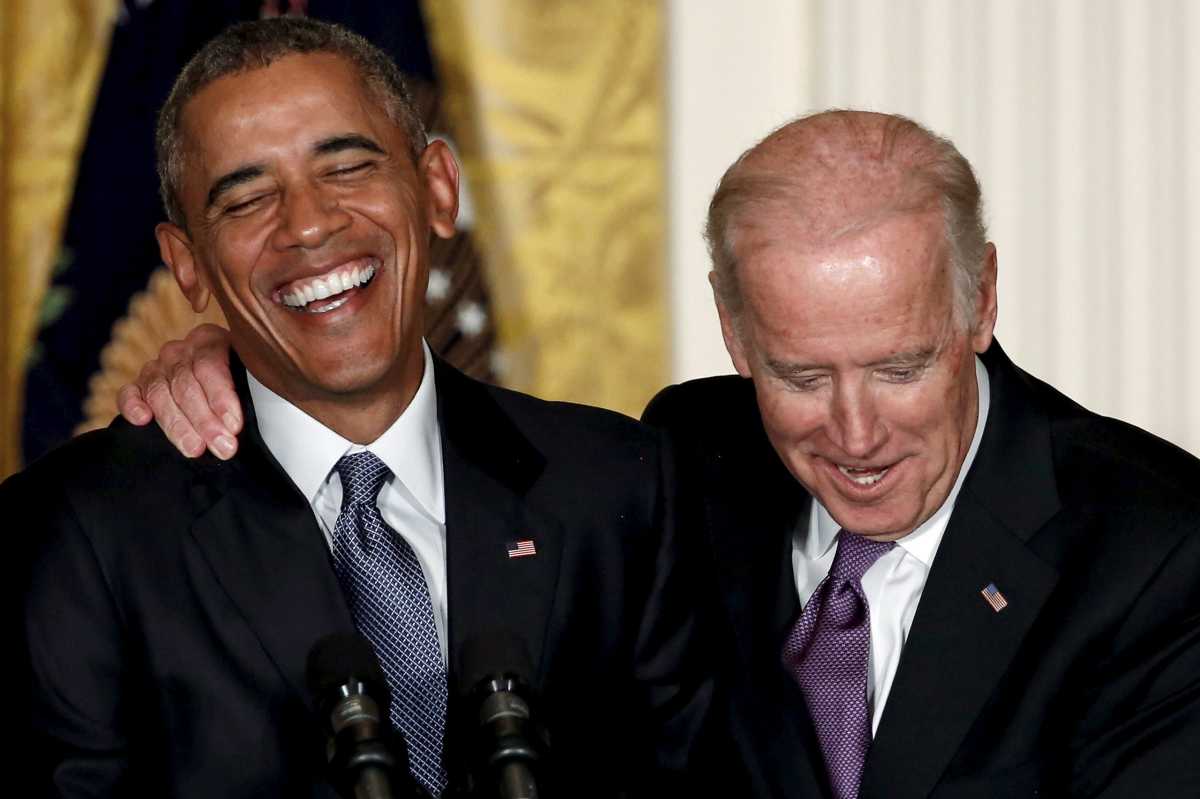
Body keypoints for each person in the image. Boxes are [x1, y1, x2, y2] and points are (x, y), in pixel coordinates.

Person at [129, 109, 1200, 797]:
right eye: (799, 376)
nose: (857, 434)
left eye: (901, 365)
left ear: (983, 301)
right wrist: (263, 358)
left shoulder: (1155, 550)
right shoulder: (692, 454)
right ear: (734, 333)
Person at [4, 18, 709, 798]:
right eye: (246, 200)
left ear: (439, 188)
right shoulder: (77, 533)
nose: (308, 224)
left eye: (345, 166)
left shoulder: (620, 485)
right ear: (188, 265)